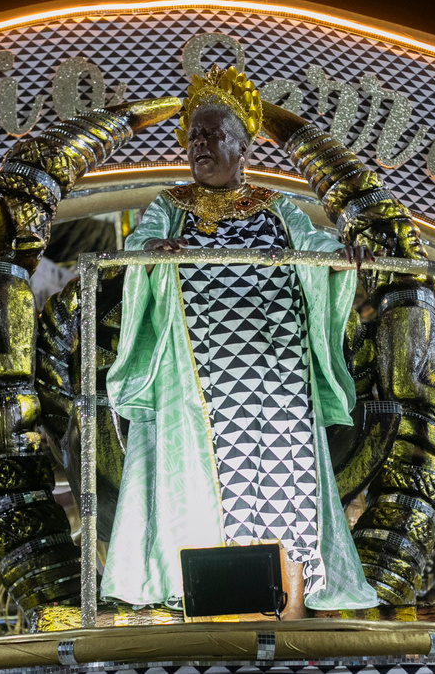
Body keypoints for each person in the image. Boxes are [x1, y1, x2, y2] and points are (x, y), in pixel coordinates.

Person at [101, 66, 377, 616]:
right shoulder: (170, 205)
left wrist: (343, 257)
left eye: (212, 133)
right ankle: (205, 605)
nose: (199, 144)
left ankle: (289, 606)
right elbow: (141, 245)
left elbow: (318, 247)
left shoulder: (277, 206)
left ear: (243, 147)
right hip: (196, 373)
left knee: (285, 480)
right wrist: (149, 253)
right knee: (199, 486)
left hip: (278, 372)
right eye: (193, 136)